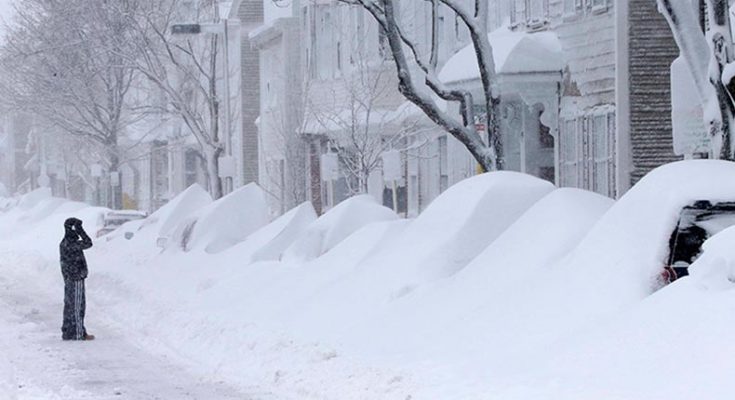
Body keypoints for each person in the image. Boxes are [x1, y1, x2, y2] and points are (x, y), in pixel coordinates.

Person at [59, 217, 94, 341]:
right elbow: (88, 243)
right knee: (78, 306)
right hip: (76, 278)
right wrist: (81, 230)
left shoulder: (65, 242)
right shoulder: (72, 243)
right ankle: (78, 333)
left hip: (70, 278)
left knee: (69, 305)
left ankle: (67, 332)